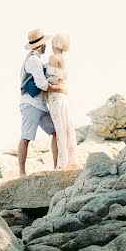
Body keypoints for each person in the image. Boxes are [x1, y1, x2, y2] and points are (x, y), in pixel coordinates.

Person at [18, 29, 66, 177]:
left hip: (40, 105)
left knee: (55, 132)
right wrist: (60, 89)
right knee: (26, 138)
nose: (46, 46)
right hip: (31, 105)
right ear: (41, 45)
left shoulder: (35, 59)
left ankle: (56, 165)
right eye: (44, 43)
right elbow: (42, 84)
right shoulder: (34, 60)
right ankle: (22, 172)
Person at [44, 34, 78, 169]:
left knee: (59, 128)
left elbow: (52, 80)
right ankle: (70, 159)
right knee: (67, 127)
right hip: (63, 96)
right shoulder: (63, 59)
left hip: (55, 97)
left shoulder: (52, 58)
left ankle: (62, 162)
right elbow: (61, 78)